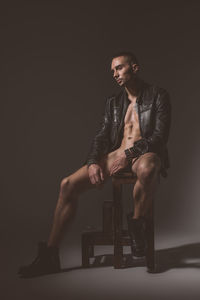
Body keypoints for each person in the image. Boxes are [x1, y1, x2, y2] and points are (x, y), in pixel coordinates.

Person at [18, 51, 171, 277]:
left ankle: (137, 225)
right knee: (67, 185)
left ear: (135, 68)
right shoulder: (113, 102)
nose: (115, 74)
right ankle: (50, 255)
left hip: (145, 153)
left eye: (119, 68)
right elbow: (101, 135)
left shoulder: (158, 95)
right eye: (112, 71)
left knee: (148, 168)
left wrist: (130, 154)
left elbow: (159, 136)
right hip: (118, 153)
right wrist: (92, 162)